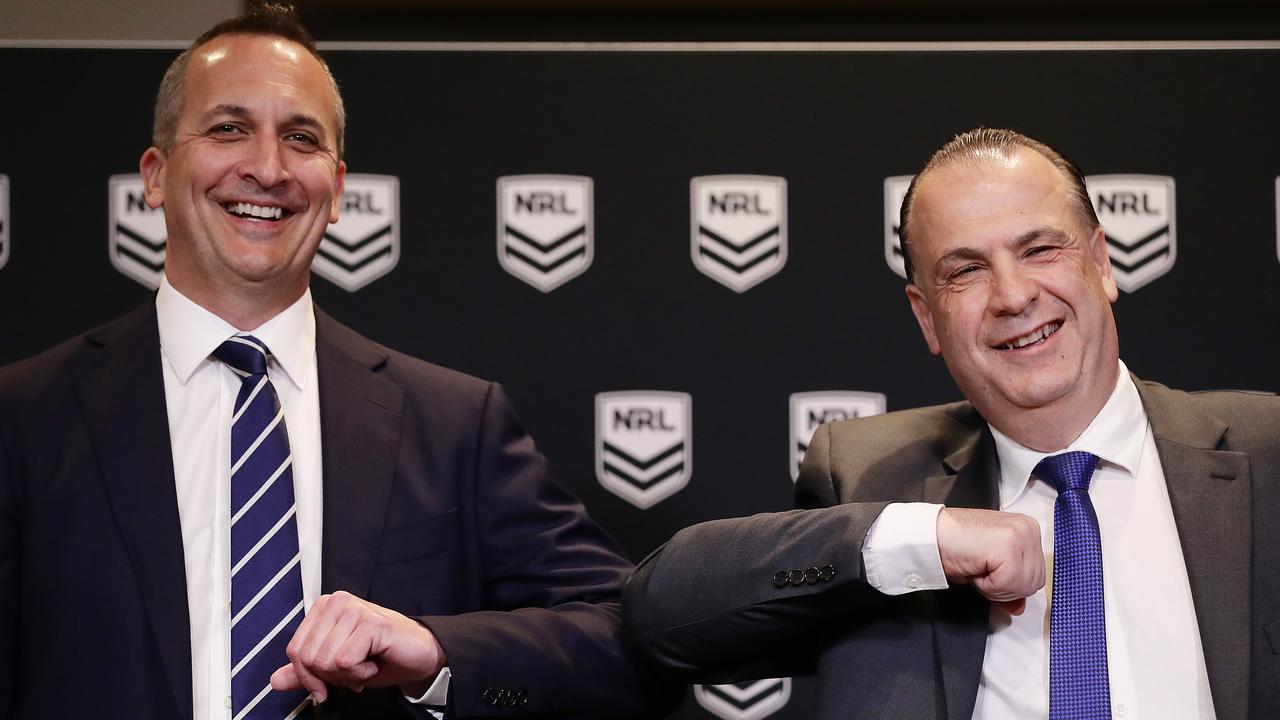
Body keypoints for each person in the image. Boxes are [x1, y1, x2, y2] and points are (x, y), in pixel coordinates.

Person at [0, 5, 676, 719]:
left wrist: (439, 656)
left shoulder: (453, 425)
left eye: (300, 138)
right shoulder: (23, 417)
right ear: (157, 174)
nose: (266, 168)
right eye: (229, 128)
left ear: (337, 190)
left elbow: (630, 649)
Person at [623, 127, 1279, 719]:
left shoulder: (1266, 452)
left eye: (1040, 249)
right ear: (927, 317)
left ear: (1102, 263)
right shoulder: (870, 476)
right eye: (966, 271)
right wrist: (918, 540)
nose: (1014, 296)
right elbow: (657, 620)